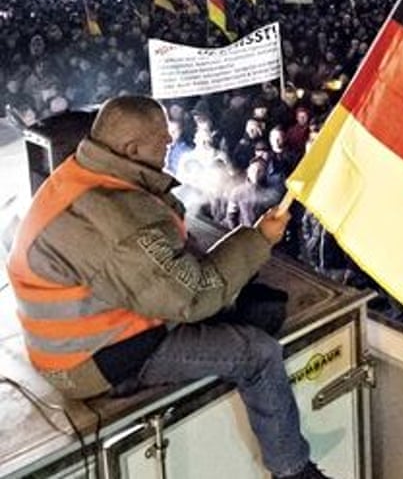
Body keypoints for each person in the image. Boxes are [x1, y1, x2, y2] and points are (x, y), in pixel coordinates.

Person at [5, 96, 328, 479]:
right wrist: (258, 239)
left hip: (76, 336)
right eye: (162, 141)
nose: (169, 147)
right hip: (93, 361)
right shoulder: (116, 219)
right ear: (131, 148)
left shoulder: (83, 173)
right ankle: (293, 468)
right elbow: (193, 297)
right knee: (258, 354)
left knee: (247, 303)